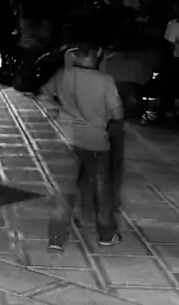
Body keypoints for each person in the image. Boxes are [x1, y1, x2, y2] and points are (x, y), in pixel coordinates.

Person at [39, 44, 124, 251]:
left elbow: (43, 96)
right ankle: (106, 234)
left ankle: (56, 237)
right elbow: (117, 114)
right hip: (96, 144)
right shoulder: (105, 81)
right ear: (98, 53)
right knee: (102, 190)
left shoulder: (62, 75)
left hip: (66, 140)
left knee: (64, 191)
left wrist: (56, 113)